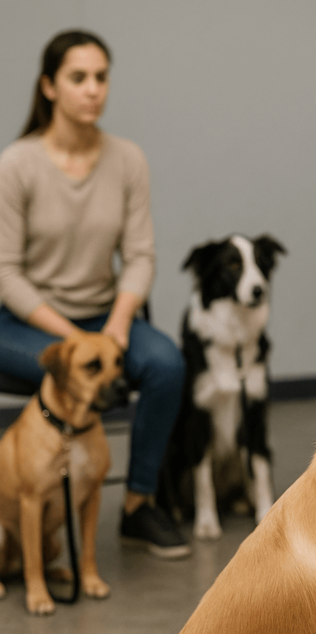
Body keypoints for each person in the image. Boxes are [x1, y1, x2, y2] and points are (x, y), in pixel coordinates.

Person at [0, 30, 190, 559]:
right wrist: (77, 341)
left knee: (166, 365)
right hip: (27, 322)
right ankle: (33, 497)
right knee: (68, 371)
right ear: (49, 87)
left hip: (107, 316)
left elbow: (140, 256)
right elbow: (6, 273)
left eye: (101, 78)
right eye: (78, 78)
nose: (93, 90)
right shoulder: (16, 164)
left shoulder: (127, 159)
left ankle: (137, 504)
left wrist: (118, 325)